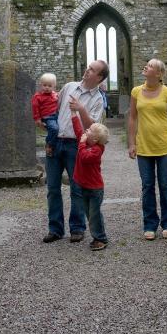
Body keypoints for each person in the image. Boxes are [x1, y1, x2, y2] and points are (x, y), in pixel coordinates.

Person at [42, 60, 108, 244]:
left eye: (92, 70)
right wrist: (42, 121)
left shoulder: (97, 100)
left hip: (75, 145)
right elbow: (53, 109)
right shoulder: (69, 87)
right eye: (88, 67)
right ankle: (55, 229)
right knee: (53, 188)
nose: (87, 71)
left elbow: (93, 129)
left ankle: (77, 228)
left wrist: (81, 109)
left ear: (100, 77)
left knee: (77, 188)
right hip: (55, 142)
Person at [127, 58, 167, 240]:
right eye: (147, 64)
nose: (146, 66)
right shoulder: (136, 92)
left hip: (165, 146)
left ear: (159, 74)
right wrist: (131, 143)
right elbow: (132, 119)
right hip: (144, 147)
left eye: (150, 66)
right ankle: (150, 225)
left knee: (165, 185)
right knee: (147, 186)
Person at [70, 107, 109, 251]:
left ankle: (101, 239)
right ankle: (96, 237)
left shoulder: (97, 150)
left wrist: (81, 143)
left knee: (94, 214)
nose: (86, 131)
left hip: (95, 189)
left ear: (95, 139)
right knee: (89, 213)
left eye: (90, 130)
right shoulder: (87, 142)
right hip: (84, 186)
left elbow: (84, 157)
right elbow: (78, 129)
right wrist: (74, 114)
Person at [31, 72, 59, 156]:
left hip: (57, 115)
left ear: (54, 86)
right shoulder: (38, 96)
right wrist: (37, 119)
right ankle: (49, 144)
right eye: (45, 85)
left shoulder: (55, 95)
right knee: (54, 129)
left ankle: (56, 146)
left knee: (60, 130)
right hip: (47, 117)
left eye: (49, 86)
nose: (47, 87)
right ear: (41, 85)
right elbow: (35, 108)